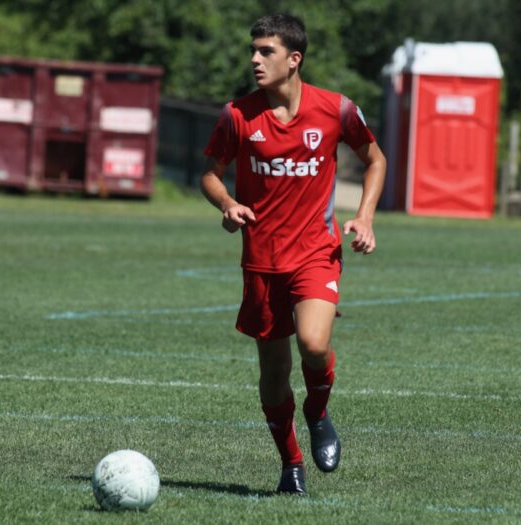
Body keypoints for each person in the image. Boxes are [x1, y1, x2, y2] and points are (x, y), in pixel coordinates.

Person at [200, 13, 386, 495]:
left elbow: (375, 159)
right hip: (261, 261)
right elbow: (210, 173)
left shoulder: (336, 109)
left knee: (314, 344)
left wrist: (364, 217)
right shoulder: (237, 115)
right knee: (274, 375)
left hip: (314, 252)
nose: (255, 59)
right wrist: (228, 203)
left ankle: (319, 413)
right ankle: (291, 464)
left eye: (266, 51)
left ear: (294, 58)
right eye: (253, 50)